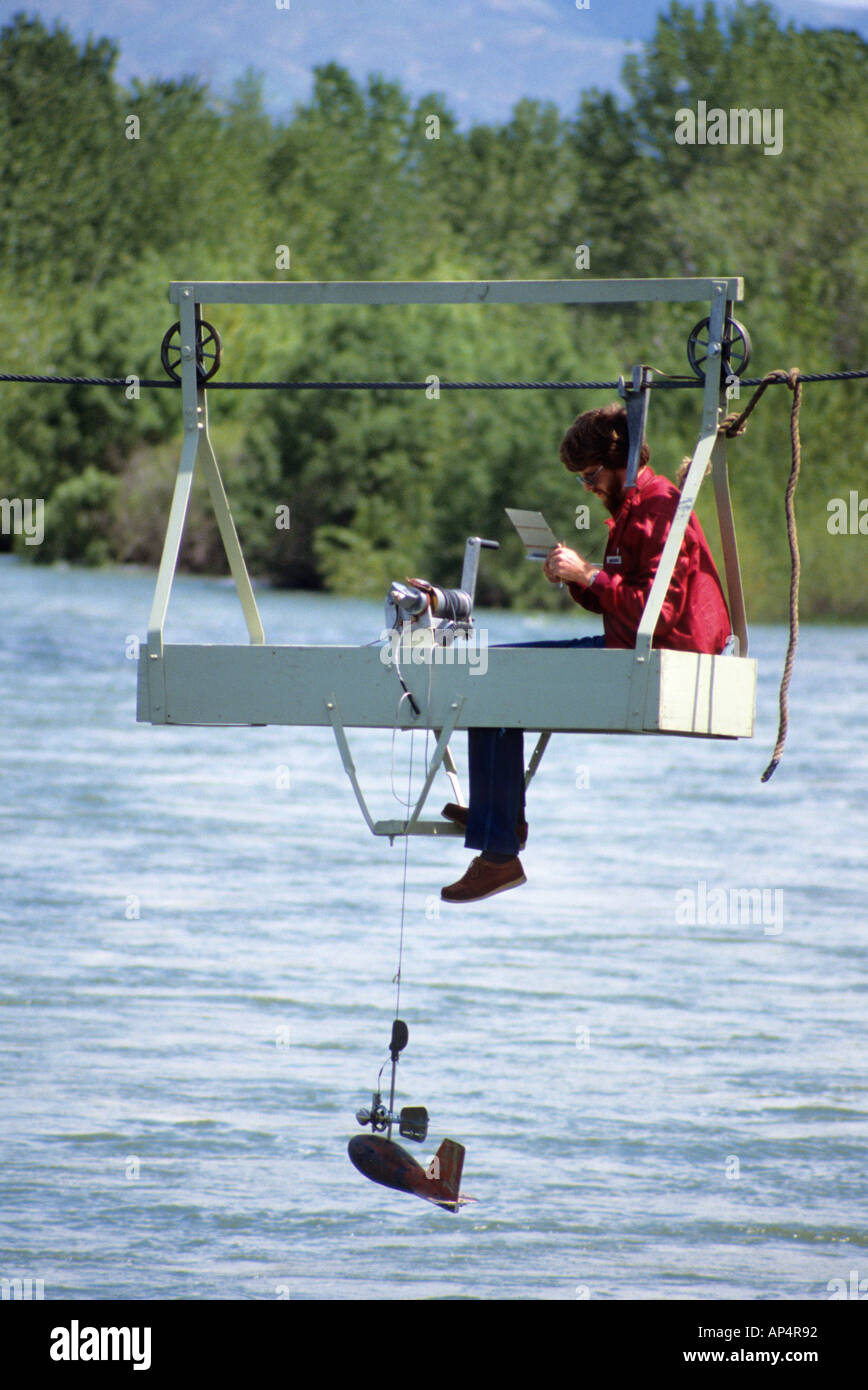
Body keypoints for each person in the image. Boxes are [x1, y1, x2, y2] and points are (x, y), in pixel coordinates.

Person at [439, 401, 732, 904]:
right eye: (581, 479)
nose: (587, 488)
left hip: (663, 655)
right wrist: (574, 581)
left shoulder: (661, 511)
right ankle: (499, 816)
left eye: (591, 475)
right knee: (488, 670)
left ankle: (500, 850)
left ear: (623, 464)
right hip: (631, 646)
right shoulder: (631, 511)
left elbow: (656, 616)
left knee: (490, 674)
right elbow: (622, 602)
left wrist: (588, 574)